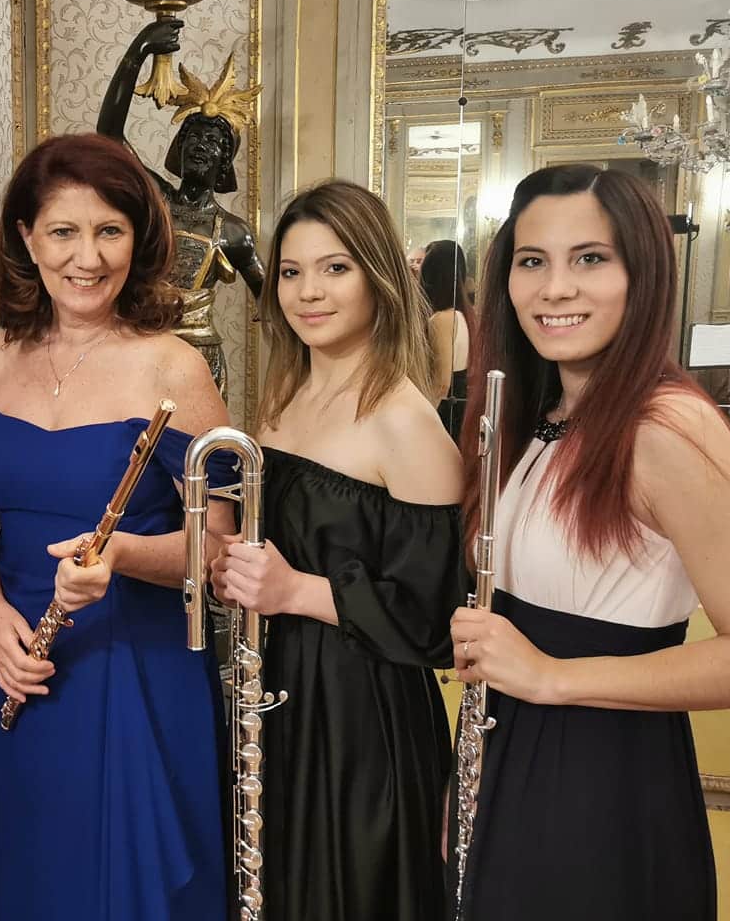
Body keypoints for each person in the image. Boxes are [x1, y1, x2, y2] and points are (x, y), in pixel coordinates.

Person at [449, 165, 730, 920]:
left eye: (590, 258)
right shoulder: (541, 414)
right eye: (532, 261)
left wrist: (551, 676)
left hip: (600, 777)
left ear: (640, 275)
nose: (555, 288)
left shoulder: (667, 429)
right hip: (511, 749)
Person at [0, 132, 233, 920]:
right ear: (27, 238)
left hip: (137, 665)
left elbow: (219, 548)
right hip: (23, 665)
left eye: (109, 231)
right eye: (63, 231)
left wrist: (120, 555)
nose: (87, 257)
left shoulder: (173, 366)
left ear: (137, 239)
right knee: (37, 878)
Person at [209, 180, 466, 920]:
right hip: (283, 685)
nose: (308, 292)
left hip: (364, 717)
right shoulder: (285, 396)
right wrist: (238, 570)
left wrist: (293, 591)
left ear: (378, 276)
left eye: (335, 268)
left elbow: (436, 621)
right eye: (291, 271)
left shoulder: (404, 420)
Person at [97, 18, 266, 399]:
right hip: (141, 347)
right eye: (193, 137)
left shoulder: (233, 231)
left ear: (225, 162)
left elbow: (271, 300)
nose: (201, 145)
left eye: (213, 141)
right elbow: (108, 136)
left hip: (199, 358)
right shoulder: (156, 200)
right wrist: (141, 48)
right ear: (179, 148)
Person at [420, 239, 473, 437]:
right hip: (460, 408)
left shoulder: (442, 319)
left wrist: (421, 422)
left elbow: (441, 384)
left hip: (445, 412)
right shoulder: (465, 315)